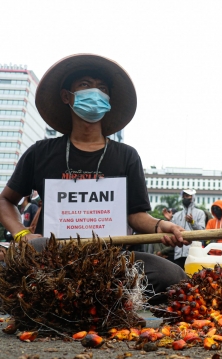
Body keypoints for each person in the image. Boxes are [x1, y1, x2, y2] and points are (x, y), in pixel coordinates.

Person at [0, 54, 191, 302]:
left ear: (109, 101)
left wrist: (160, 226)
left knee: (172, 274)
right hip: (51, 260)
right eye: (85, 85)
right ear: (66, 96)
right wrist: (22, 235)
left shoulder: (126, 156)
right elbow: (6, 200)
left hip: (112, 263)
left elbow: (135, 214)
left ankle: (95, 297)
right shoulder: (40, 153)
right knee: (20, 258)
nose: (95, 93)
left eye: (102, 88)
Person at [171, 189, 206, 268]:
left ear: (192, 197)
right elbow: (172, 231)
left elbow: (202, 231)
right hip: (178, 254)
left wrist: (192, 222)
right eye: (184, 196)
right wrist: (169, 220)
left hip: (193, 253)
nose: (185, 198)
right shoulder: (176, 215)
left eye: (187, 196)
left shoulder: (200, 213)